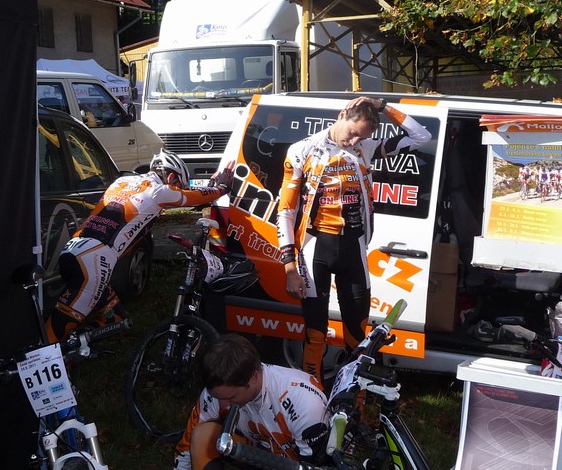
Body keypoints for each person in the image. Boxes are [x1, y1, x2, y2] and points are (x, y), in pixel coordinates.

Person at [276, 96, 432, 384]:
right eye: (352, 133)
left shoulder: (365, 148)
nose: (354, 141)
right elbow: (286, 210)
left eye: (361, 137)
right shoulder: (302, 150)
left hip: (354, 249)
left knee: (358, 335)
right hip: (315, 248)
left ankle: (353, 398)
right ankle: (313, 394)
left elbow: (422, 136)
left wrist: (383, 106)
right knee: (315, 333)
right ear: (342, 115)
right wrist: (289, 266)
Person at [45, 150, 234, 343]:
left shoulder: (121, 182)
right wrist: (221, 188)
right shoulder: (158, 190)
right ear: (170, 177)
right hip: (94, 262)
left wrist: (210, 185)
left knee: (117, 319)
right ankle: (44, 355)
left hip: (73, 250)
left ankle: (75, 349)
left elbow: (185, 195)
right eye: (178, 185)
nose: (178, 190)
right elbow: (191, 198)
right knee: (57, 329)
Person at [174, 333, 329, 470]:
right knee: (202, 435)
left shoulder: (305, 404)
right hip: (262, 455)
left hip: (298, 464)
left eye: (231, 398)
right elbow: (186, 447)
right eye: (220, 398)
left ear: (253, 377)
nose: (224, 405)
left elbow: (316, 467)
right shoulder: (220, 392)